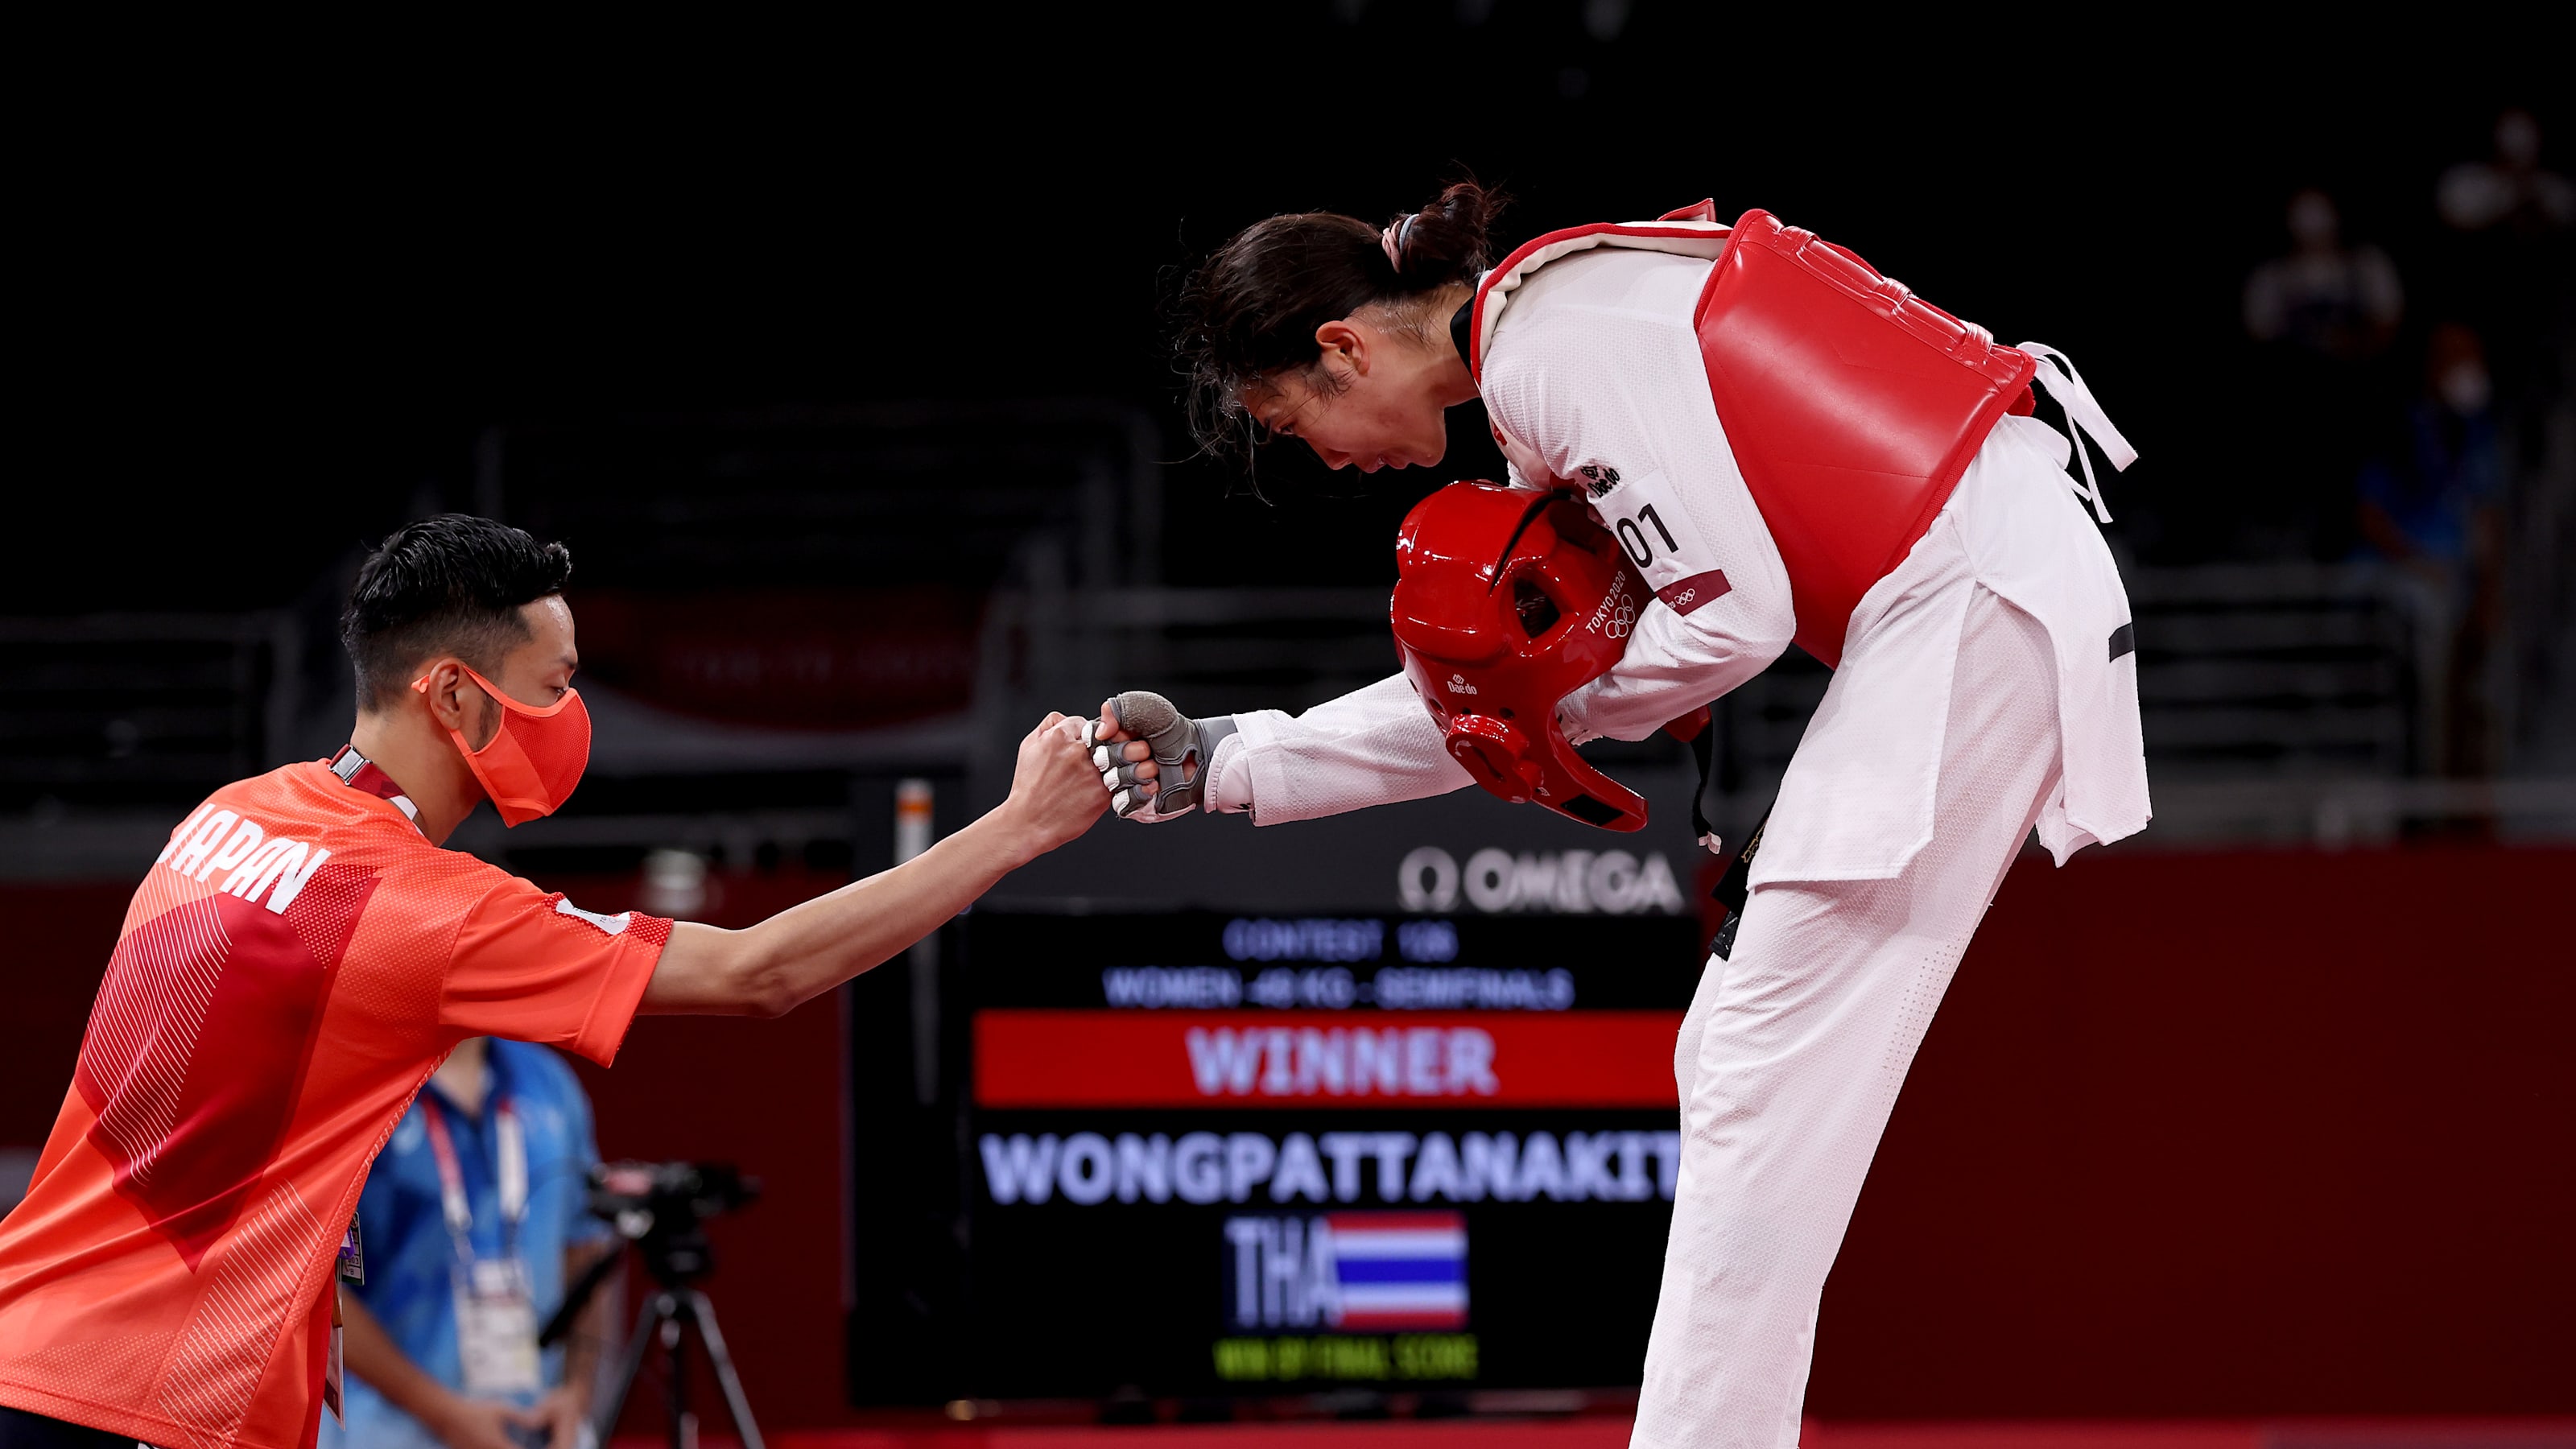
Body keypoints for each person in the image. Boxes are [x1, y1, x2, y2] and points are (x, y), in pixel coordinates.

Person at [1096, 184, 2149, 1448]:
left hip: (1972, 602)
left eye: (1295, 420)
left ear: (1343, 345)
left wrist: (1556, 709)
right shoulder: (1553, 332)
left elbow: (1735, 615)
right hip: (1975, 595)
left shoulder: (1551, 347)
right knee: (1732, 1069)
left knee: (1756, 1077)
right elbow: (1509, 683)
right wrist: (1235, 758)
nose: (1327, 459)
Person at [0, 515, 1104, 1449]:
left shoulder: (233, 813)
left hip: (36, 1347)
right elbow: (762, 972)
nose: (572, 718)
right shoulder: (422, 907)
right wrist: (1012, 832)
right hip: (148, 1401)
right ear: (453, 696)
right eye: (556, 686)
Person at [318, 1036, 613, 1449]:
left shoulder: (548, 1081)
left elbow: (584, 1249)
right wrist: (442, 1413)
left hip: (537, 1427)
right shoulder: (353, 1093)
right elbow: (322, 1292)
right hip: (384, 1432)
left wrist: (578, 1393)